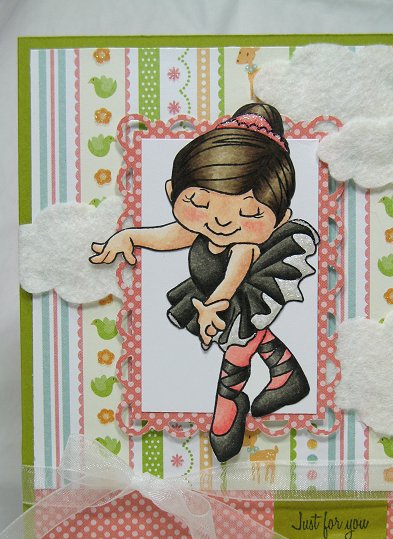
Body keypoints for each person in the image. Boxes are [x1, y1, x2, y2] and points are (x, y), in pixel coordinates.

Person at [90, 103, 319, 462]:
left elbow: (234, 275)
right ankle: (286, 372)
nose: (222, 221)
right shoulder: (196, 230)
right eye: (200, 201)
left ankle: (228, 403)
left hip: (243, 290)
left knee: (238, 344)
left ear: (279, 219)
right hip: (215, 296)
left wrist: (217, 304)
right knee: (250, 332)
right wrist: (129, 236)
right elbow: (166, 236)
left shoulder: (244, 246)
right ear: (173, 192)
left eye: (249, 211)